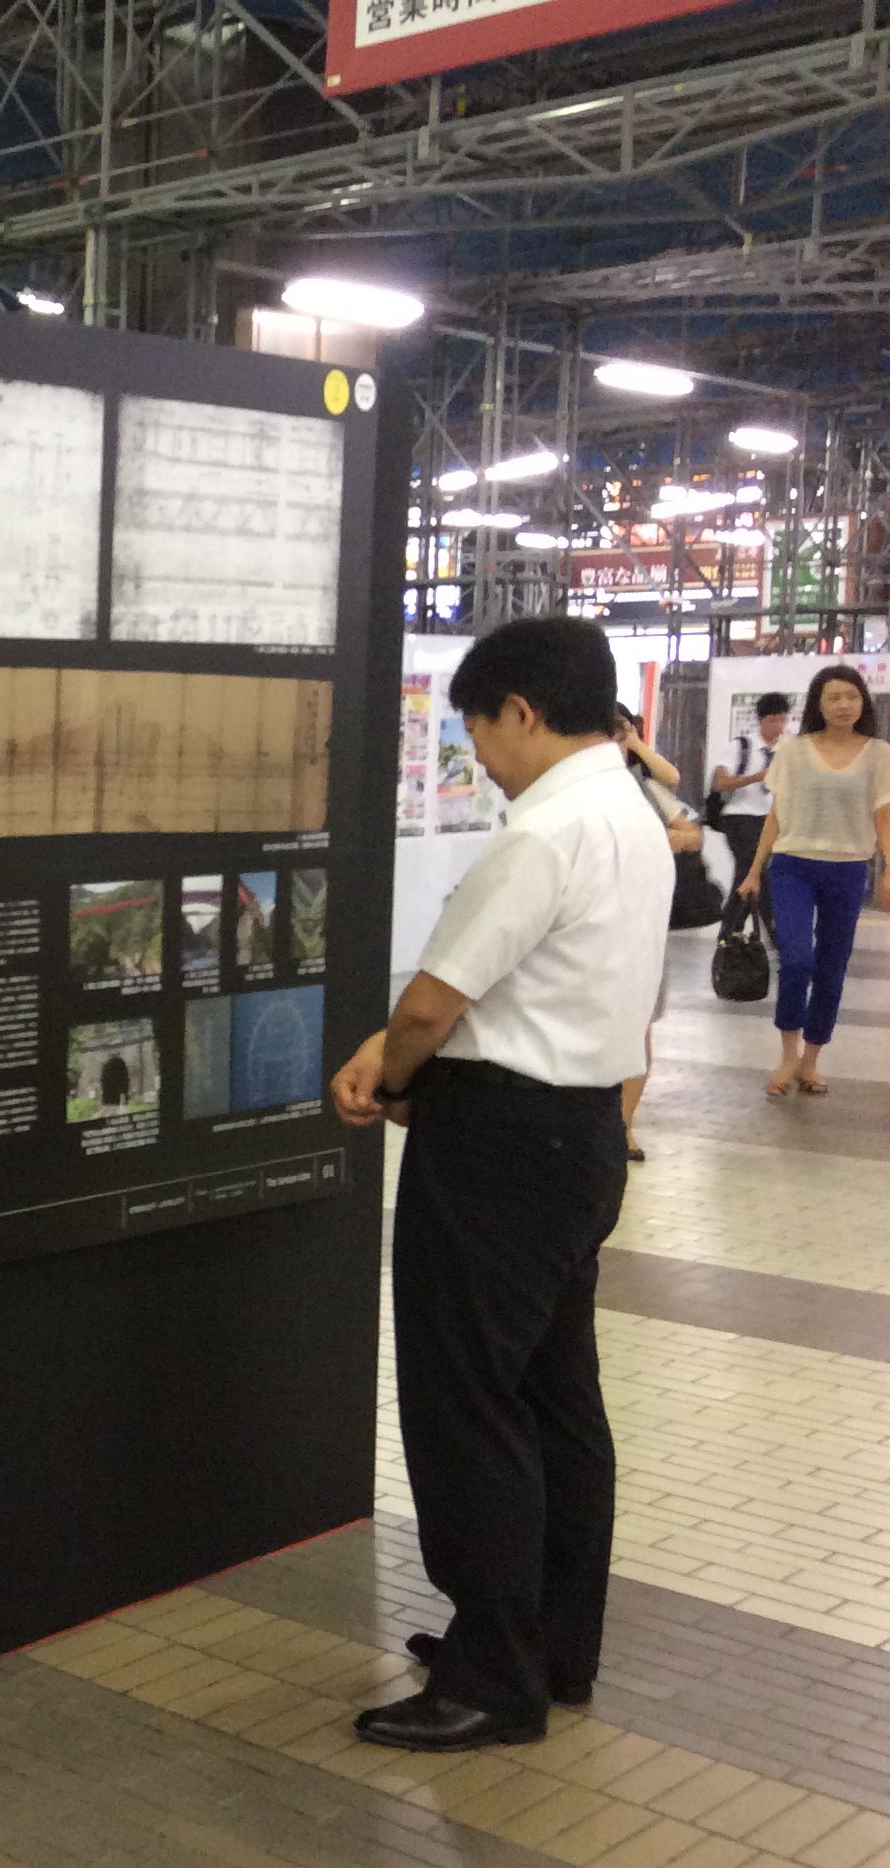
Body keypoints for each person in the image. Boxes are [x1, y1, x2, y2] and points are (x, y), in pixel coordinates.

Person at [331, 615, 669, 1753]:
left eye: (479, 731)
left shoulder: (545, 833)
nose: (478, 755)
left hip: (498, 1151)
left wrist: (391, 1074)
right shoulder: (630, 813)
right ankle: (551, 1644)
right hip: (581, 1135)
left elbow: (433, 1004)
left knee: (467, 1400)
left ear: (521, 710)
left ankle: (492, 1675)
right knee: (556, 1399)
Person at [738, 666, 890, 1097]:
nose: (844, 705)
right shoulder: (794, 750)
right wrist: (754, 870)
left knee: (832, 968)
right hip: (793, 867)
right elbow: (776, 815)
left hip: (848, 869)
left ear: (863, 702)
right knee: (797, 961)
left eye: (852, 696)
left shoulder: (879, 754)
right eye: (833, 697)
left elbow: (884, 817)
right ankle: (788, 1054)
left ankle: (811, 1059)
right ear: (818, 705)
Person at [612, 705, 705, 1162]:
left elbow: (691, 831)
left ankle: (624, 1126)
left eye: (619, 734)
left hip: (642, 923)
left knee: (638, 1024)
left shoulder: (643, 785)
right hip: (592, 925)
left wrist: (669, 839)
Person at [710, 693, 792, 887]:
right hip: (741, 816)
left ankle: (741, 906)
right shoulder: (741, 746)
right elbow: (720, 783)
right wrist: (755, 777)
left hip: (772, 817)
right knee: (752, 870)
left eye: (782, 720)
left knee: (763, 874)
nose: (779, 726)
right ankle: (754, 905)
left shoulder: (787, 749)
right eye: (773, 720)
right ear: (761, 720)